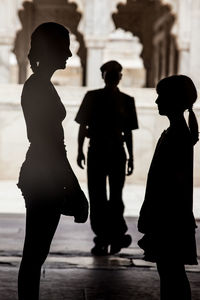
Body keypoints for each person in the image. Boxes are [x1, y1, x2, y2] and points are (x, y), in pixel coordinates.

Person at [17, 22, 77, 300]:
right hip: (44, 174)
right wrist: (74, 188)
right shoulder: (39, 87)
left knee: (35, 254)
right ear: (51, 49)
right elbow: (51, 144)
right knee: (34, 254)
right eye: (64, 47)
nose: (69, 55)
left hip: (41, 172)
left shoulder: (40, 84)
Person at [138, 75, 199, 300]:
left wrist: (154, 213)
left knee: (171, 272)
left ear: (173, 100)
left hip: (169, 218)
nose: (156, 102)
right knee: (170, 272)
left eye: (161, 97)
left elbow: (170, 184)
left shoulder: (177, 135)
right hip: (171, 216)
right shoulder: (177, 132)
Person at [75, 61, 138, 255]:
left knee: (106, 197)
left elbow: (126, 132)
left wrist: (80, 150)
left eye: (115, 73)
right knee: (103, 196)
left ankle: (108, 236)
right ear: (104, 76)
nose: (113, 76)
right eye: (111, 73)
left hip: (103, 152)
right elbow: (84, 127)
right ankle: (111, 236)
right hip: (109, 152)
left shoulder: (99, 98)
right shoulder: (120, 100)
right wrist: (79, 150)